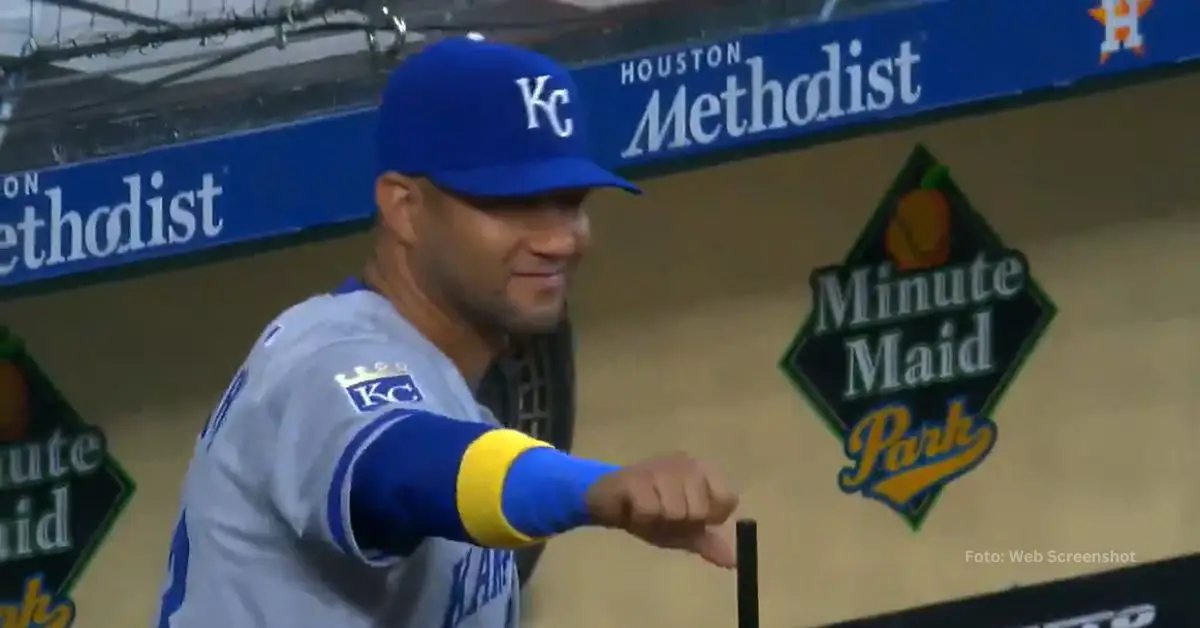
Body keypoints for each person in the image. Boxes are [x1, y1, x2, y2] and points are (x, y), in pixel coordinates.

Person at [154, 36, 741, 628]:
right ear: (406, 208)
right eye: (512, 202)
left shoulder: (454, 395)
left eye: (570, 202)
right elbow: (402, 469)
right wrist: (596, 489)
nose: (559, 238)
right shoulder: (322, 357)